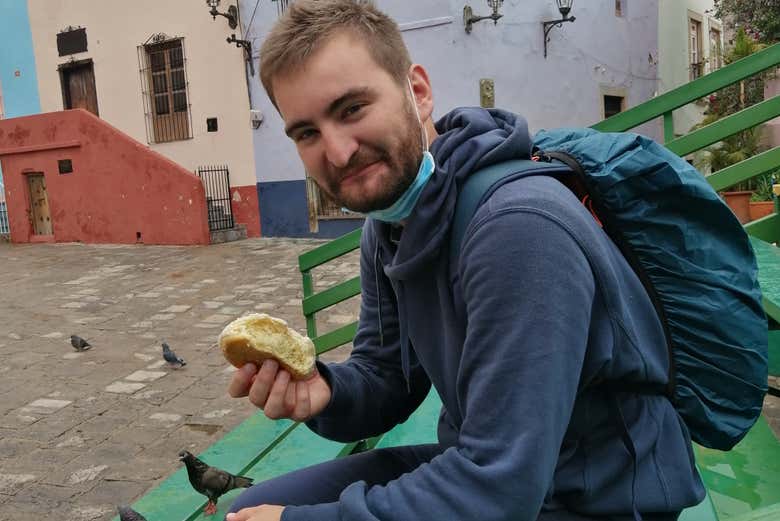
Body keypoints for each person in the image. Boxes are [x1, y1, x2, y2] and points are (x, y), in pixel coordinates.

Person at [225, 1, 705, 520]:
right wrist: (325, 392)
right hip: (496, 470)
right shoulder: (388, 225)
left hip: (599, 499)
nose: (338, 153)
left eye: (352, 109)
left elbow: (498, 489)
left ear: (418, 92)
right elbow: (387, 378)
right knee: (249, 507)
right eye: (307, 133)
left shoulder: (518, 227)